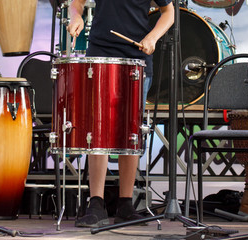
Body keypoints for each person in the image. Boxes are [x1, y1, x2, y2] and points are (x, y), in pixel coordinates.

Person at [67, 0, 174, 227]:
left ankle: (125, 202)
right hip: (100, 51)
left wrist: (153, 37)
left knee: (131, 129)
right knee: (98, 127)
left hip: (136, 55)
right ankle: (96, 201)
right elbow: (76, 3)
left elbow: (169, 13)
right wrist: (76, 16)